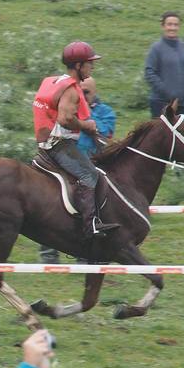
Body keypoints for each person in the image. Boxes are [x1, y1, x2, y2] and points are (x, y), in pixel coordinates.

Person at [32, 41, 118, 241]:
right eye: (89, 63)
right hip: (59, 145)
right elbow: (65, 119)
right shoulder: (71, 90)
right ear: (78, 65)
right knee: (90, 175)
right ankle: (91, 226)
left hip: (47, 140)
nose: (92, 66)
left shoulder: (56, 81)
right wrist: (87, 126)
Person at [40, 77, 114, 263]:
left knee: (95, 199)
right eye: (79, 93)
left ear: (94, 92)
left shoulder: (106, 112)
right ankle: (49, 253)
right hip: (66, 160)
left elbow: (103, 133)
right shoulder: (68, 106)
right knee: (49, 201)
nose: (81, 96)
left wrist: (84, 116)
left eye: (86, 93)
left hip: (90, 160)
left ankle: (86, 250)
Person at [144, 11, 184, 120]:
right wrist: (167, 92)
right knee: (162, 136)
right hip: (161, 103)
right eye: (169, 24)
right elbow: (149, 72)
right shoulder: (156, 49)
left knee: (182, 136)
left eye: (175, 25)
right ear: (163, 26)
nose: (172, 28)